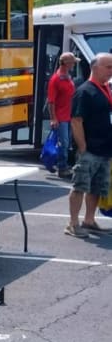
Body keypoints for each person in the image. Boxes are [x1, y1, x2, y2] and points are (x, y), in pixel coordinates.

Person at [64, 52, 112, 238]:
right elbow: (76, 121)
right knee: (80, 186)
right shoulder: (84, 91)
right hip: (90, 149)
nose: (110, 71)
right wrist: (83, 147)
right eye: (108, 67)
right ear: (95, 68)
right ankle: (73, 223)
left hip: (105, 148)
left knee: (97, 187)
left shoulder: (105, 89)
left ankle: (89, 220)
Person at [46, 52, 79, 178]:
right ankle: (62, 167)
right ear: (66, 63)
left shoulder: (67, 77)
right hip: (61, 117)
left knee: (66, 142)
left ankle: (62, 165)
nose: (74, 65)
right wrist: (53, 118)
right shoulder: (56, 79)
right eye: (72, 62)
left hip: (69, 115)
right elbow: (51, 101)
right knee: (63, 143)